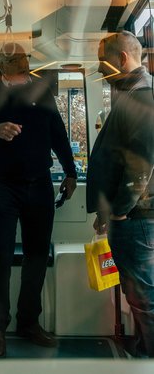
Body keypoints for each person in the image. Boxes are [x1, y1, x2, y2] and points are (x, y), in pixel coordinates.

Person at [0, 42, 77, 357]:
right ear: (2, 67)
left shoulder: (42, 93)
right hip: (2, 184)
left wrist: (70, 173)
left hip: (40, 183)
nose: (22, 69)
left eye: (25, 63)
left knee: (37, 254)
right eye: (15, 64)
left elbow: (58, 133)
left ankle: (29, 322)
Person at [86, 31, 154, 358]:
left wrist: (120, 211)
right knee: (137, 293)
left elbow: (141, 165)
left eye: (105, 65)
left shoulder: (142, 98)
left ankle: (147, 357)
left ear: (123, 60)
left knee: (144, 297)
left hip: (136, 218)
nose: (103, 73)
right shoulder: (133, 97)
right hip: (129, 216)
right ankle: (142, 349)